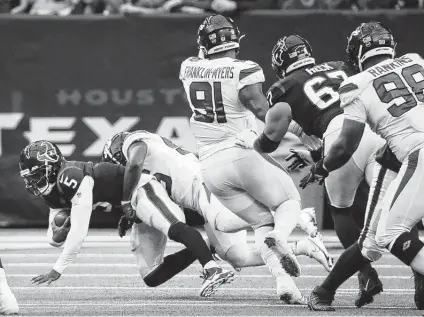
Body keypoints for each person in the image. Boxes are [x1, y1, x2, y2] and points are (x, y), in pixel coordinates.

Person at [179, 14, 322, 304]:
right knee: (289, 202)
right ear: (236, 41)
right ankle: (283, 236)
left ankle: (284, 284)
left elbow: (205, 61)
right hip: (239, 152)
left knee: (261, 223)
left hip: (209, 165)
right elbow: (263, 112)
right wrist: (298, 128)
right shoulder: (244, 69)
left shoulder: (189, 67)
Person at [253, 34, 385, 307]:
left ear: (280, 62)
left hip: (339, 135)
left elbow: (270, 138)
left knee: (342, 209)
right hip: (376, 130)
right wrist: (316, 151)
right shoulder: (341, 66)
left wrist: (253, 142)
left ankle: (365, 274)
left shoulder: (283, 87)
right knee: (393, 204)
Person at [101, 130, 333, 286]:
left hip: (203, 184)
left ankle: (296, 215)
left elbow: (134, 163)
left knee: (223, 221)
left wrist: (125, 199)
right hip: (200, 196)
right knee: (237, 257)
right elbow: (158, 201)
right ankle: (303, 247)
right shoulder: (154, 166)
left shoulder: (137, 142)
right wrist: (133, 212)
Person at [301, 21, 424, 310]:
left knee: (389, 233)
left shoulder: (356, 84)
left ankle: (325, 290)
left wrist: (322, 167)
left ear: (356, 54)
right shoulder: (417, 61)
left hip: (417, 152)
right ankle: (325, 291)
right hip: (402, 153)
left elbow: (345, 145)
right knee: (375, 236)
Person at [19, 140, 233, 297]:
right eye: (30, 178)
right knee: (152, 276)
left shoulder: (69, 176)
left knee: (173, 228)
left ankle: (212, 268)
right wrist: (59, 232)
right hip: (132, 206)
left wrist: (58, 269)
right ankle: (209, 246)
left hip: (142, 189)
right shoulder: (52, 193)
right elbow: (54, 239)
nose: (34, 183)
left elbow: (80, 230)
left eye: (37, 175)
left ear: (52, 166)